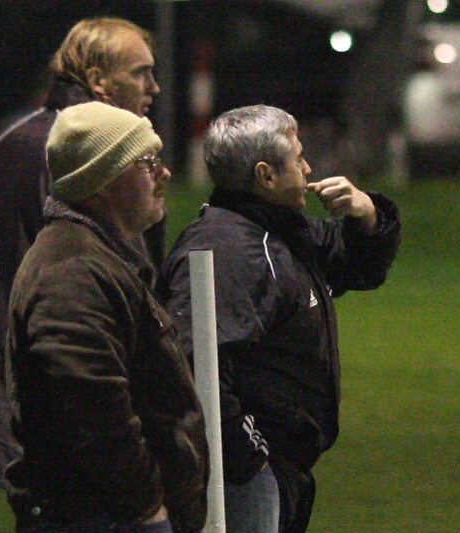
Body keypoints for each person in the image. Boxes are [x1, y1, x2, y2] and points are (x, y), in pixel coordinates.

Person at [157, 104, 402, 532]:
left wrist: (368, 215)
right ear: (266, 175)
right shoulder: (232, 250)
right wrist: (252, 456)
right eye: (299, 159)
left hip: (272, 465)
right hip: (243, 474)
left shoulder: (279, 233)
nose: (308, 170)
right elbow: (194, 366)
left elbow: (357, 268)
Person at [0, 17, 163, 489]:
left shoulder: (20, 139)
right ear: (98, 80)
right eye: (140, 72)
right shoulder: (83, 151)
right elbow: (104, 276)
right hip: (72, 396)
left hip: (27, 391)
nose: (154, 87)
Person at [4, 101, 208, 533]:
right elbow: (90, 404)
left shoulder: (90, 254)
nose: (164, 173)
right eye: (146, 162)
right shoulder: (73, 270)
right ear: (100, 180)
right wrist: (146, 507)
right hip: (102, 518)